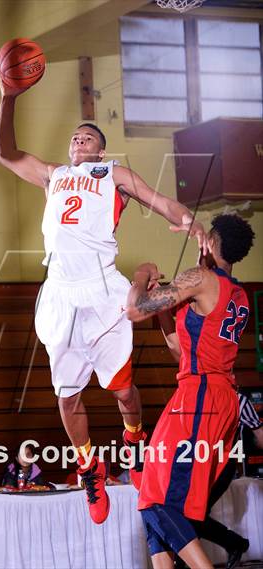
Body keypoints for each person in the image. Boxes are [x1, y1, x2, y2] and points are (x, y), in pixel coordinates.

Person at [0, 72, 207, 524]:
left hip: (102, 287)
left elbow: (160, 199)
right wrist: (7, 97)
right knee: (67, 398)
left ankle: (133, 438)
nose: (78, 139)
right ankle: (89, 465)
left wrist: (190, 220)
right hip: (61, 294)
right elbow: (4, 153)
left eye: (87, 136)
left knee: (125, 392)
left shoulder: (113, 174)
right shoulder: (53, 174)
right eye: (75, 136)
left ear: (99, 150)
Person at [125, 214, 255, 569]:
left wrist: (141, 275)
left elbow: (134, 309)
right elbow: (181, 351)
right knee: (151, 493)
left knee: (157, 501)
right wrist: (165, 309)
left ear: (211, 243)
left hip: (201, 399)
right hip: (212, 396)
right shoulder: (238, 295)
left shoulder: (200, 278)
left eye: (204, 240)